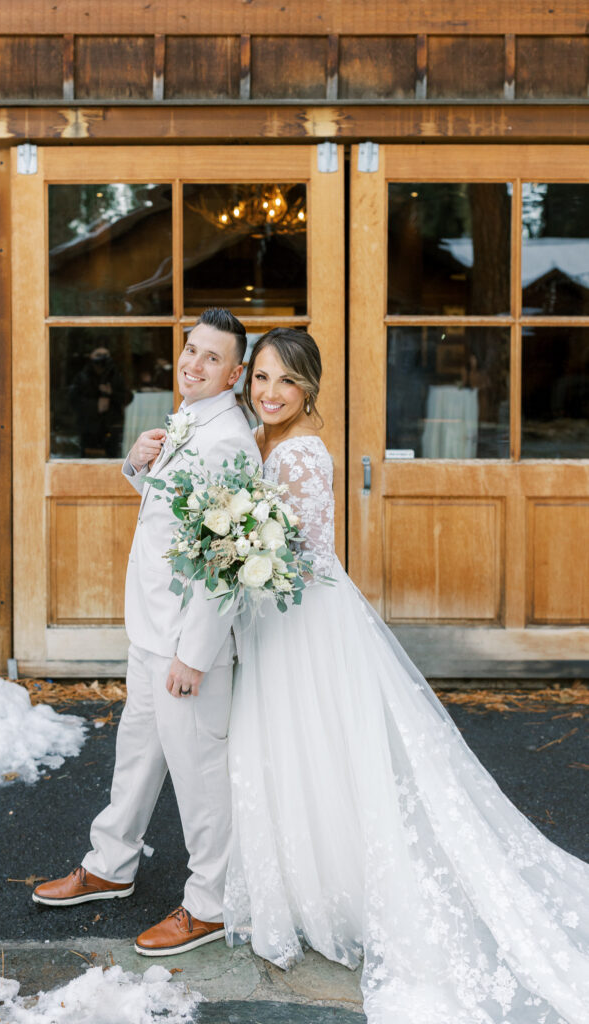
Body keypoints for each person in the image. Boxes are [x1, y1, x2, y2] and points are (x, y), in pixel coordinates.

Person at [223, 327, 589, 1023]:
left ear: (309, 390)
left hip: (303, 620)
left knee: (319, 746)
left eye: (287, 381)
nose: (270, 392)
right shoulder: (256, 437)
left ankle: (340, 887)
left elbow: (305, 554)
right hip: (271, 616)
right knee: (288, 748)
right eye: (261, 377)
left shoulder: (301, 453)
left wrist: (241, 552)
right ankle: (303, 883)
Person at [33, 308, 262, 957]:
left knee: (200, 775)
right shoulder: (190, 421)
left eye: (212, 357)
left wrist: (195, 655)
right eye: (191, 349)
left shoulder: (227, 442)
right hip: (152, 629)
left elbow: (226, 558)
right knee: (136, 754)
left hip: (187, 645)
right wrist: (136, 466)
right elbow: (175, 516)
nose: (194, 363)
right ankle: (111, 863)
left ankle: (211, 904)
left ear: (235, 375)